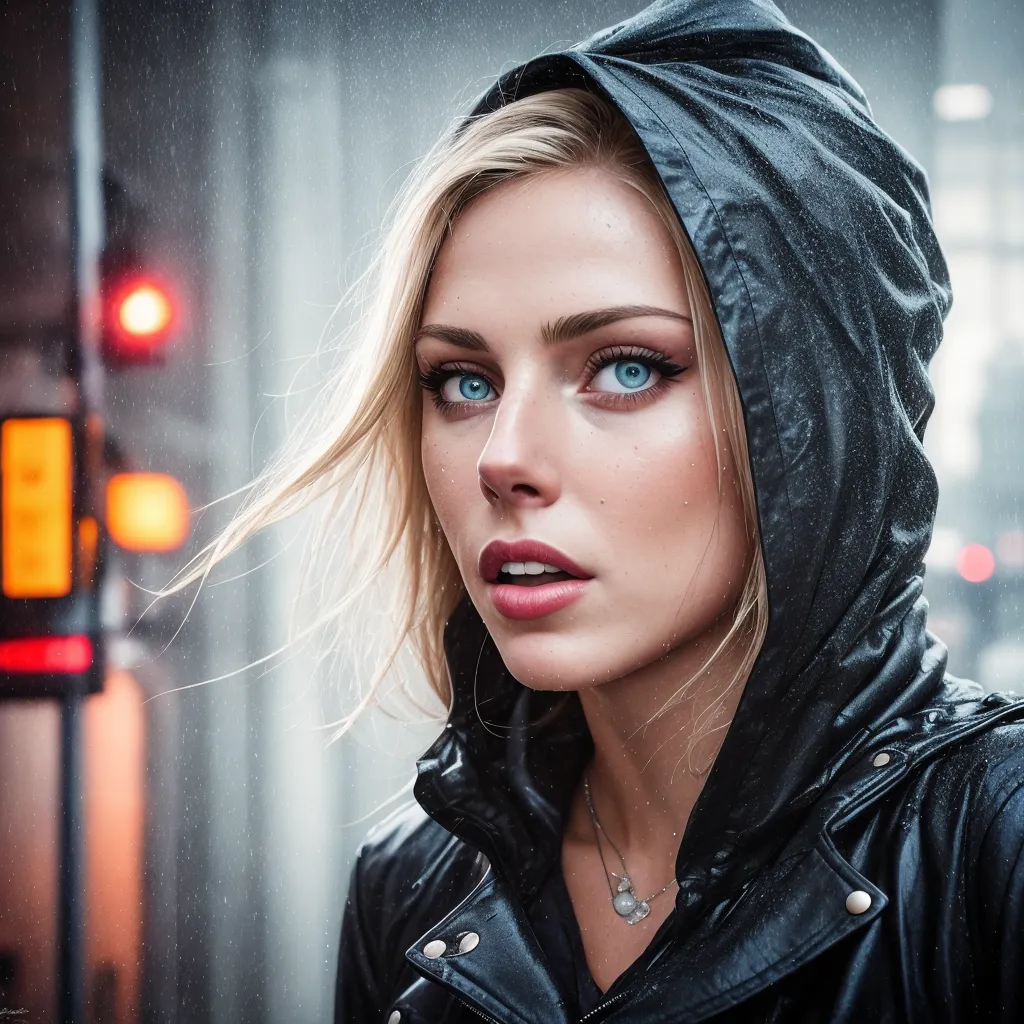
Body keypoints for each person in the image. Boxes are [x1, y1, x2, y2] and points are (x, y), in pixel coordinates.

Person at [193, 0, 1024, 1020]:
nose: (503, 457)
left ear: (813, 415)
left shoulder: (996, 852)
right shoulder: (411, 890)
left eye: (626, 367)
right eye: (462, 380)